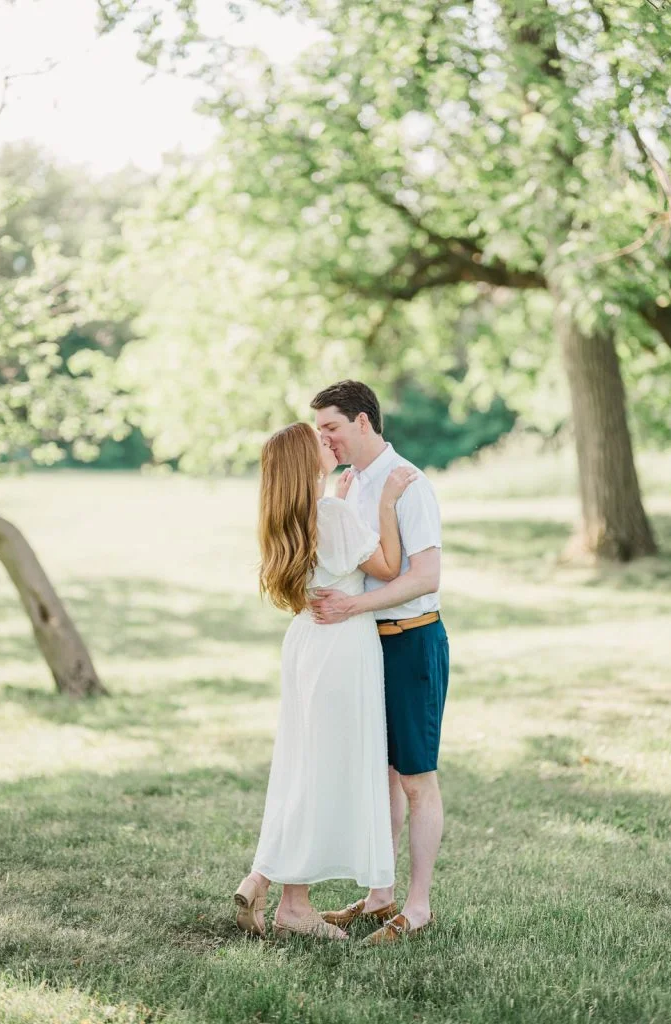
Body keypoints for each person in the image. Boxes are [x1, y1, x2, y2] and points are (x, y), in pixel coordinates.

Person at [233, 421, 417, 940]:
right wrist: (384, 505)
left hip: (307, 642)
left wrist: (341, 500)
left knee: (302, 763)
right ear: (305, 461)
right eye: (318, 441)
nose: (327, 441)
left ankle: (261, 877)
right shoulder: (332, 515)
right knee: (324, 770)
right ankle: (295, 905)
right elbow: (385, 566)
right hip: (342, 644)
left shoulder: (285, 518)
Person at [310, 380, 449, 945]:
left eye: (331, 428)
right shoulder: (353, 486)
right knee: (382, 780)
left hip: (412, 641)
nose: (325, 439)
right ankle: (379, 895)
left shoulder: (408, 484)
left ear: (363, 421)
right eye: (320, 431)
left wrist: (352, 605)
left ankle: (417, 907)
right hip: (368, 645)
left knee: (417, 781)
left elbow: (425, 575)